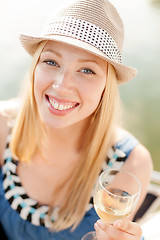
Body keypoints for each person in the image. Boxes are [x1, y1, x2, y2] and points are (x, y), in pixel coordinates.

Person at [0, 0, 153, 239]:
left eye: (87, 70)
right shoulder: (3, 125)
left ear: (106, 86)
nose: (61, 86)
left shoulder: (130, 162)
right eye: (51, 62)